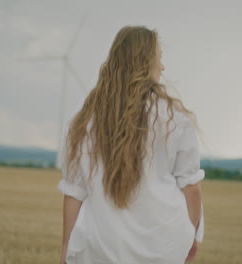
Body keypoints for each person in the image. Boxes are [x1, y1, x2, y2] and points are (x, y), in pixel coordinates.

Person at [58, 25, 205, 264]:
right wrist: (190, 239)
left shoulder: (83, 120)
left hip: (101, 250)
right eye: (159, 58)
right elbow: (191, 188)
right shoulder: (175, 118)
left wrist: (65, 249)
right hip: (163, 248)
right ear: (146, 62)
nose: (163, 66)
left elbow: (74, 194)